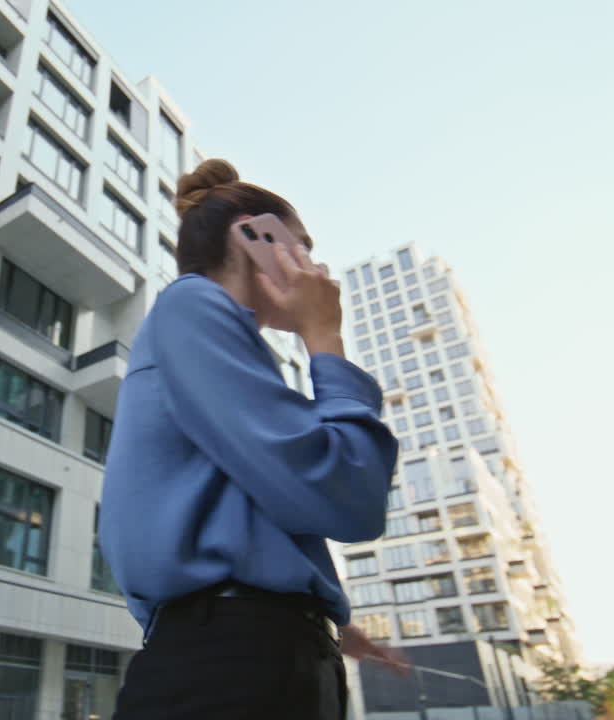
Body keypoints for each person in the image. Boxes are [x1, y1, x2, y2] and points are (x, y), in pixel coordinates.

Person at [100, 158, 406, 719]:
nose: (315, 264)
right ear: (253, 236)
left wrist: (324, 615)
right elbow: (349, 493)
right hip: (235, 659)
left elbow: (252, 497)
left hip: (247, 651)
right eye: (303, 245)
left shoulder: (212, 334)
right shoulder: (193, 304)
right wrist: (324, 336)